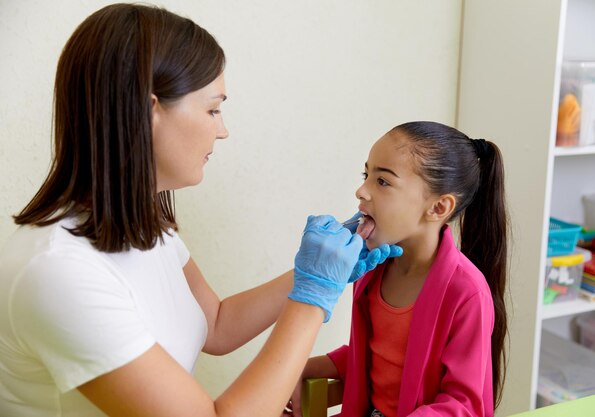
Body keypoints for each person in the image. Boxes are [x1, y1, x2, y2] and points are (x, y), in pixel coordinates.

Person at [0, 4, 402, 417]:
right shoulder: (59, 274)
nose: (222, 129)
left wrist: (310, 273)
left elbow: (216, 323)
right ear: (148, 109)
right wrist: (313, 297)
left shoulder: (144, 226)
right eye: (212, 108)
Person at [285, 121, 509, 417]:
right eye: (366, 175)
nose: (361, 191)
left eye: (383, 181)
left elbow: (463, 405)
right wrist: (303, 368)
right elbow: (380, 357)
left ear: (439, 208)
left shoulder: (466, 292)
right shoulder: (373, 268)